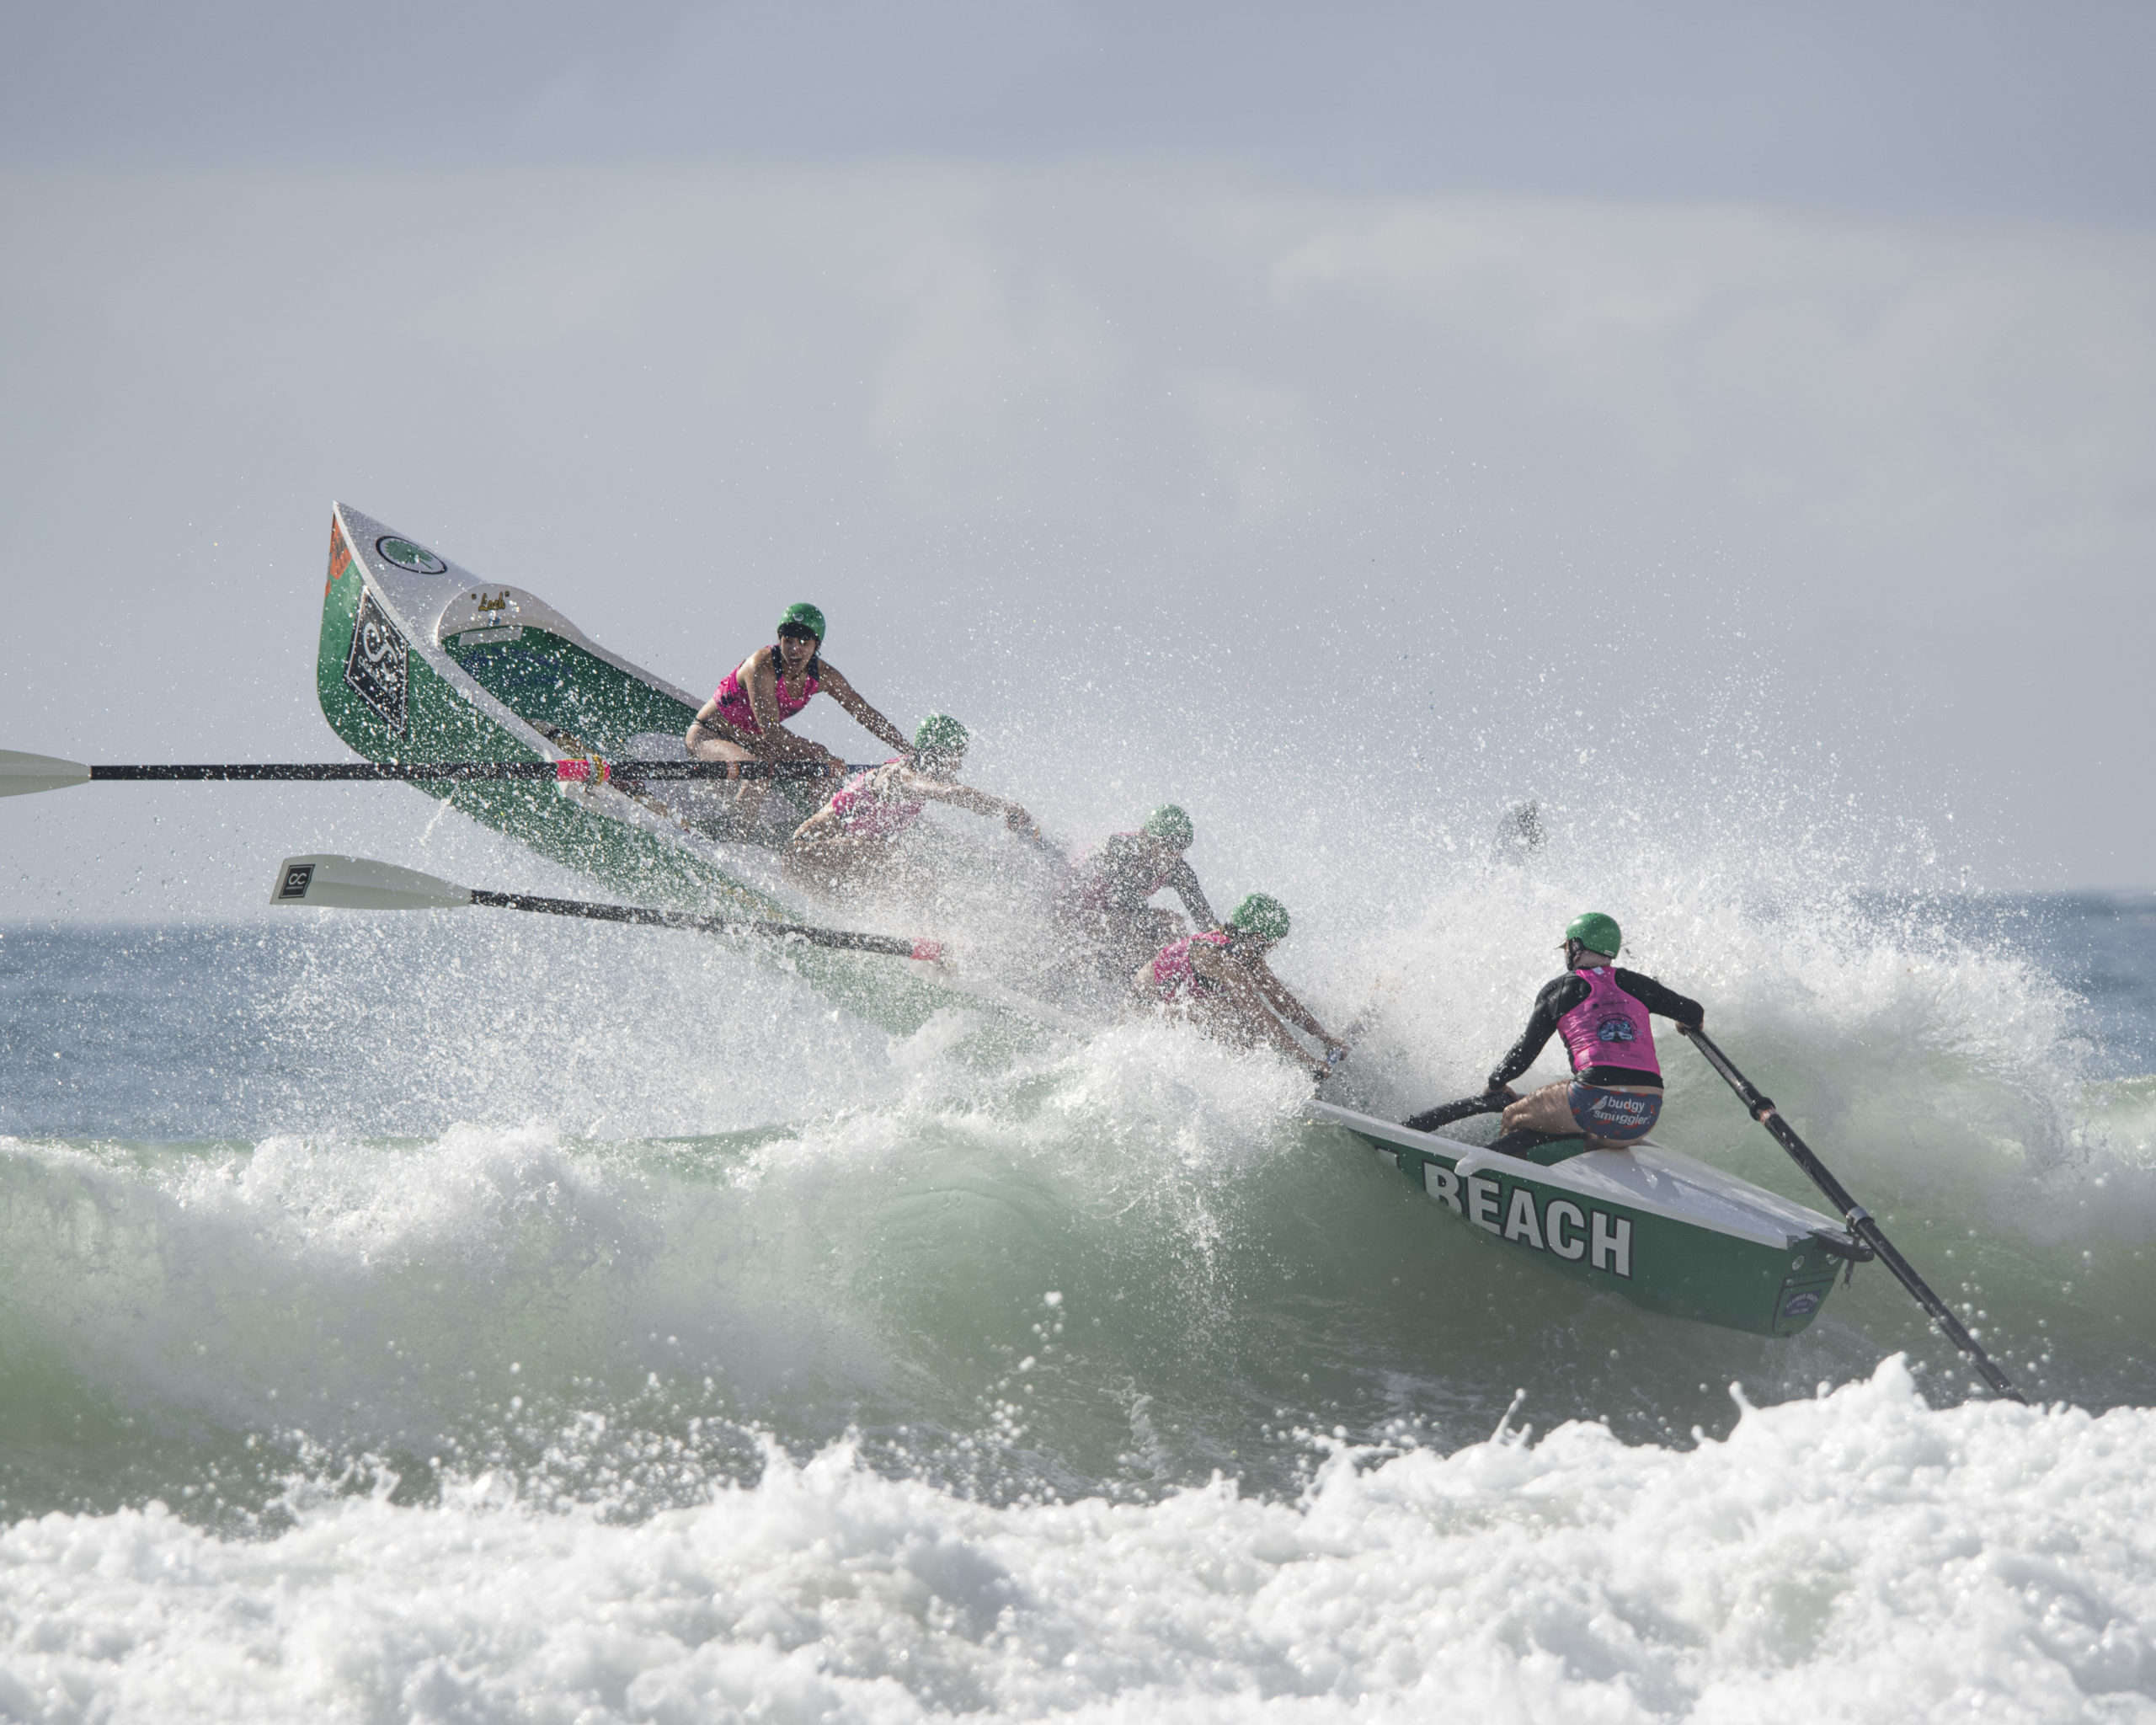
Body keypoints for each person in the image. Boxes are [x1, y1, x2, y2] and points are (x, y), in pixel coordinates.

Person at [1477, 912, 1704, 1151]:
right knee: (1591, 1128)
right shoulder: (1639, 984)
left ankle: (1502, 1178)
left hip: (1591, 1103)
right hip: (1644, 1115)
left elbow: (1523, 1054)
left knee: (1513, 1115)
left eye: (1566, 945)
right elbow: (1693, 1012)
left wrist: (1495, 1084)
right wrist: (1687, 1022)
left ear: (1576, 946)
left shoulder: (1558, 990)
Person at [686, 604, 913, 819]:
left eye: (804, 642)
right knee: (759, 771)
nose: (795, 649)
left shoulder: (824, 676)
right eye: (789, 641)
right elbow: (772, 732)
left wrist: (909, 751)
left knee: (823, 767)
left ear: (817, 646)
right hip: (710, 735)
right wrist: (816, 749)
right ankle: (738, 836)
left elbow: (865, 713)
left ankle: (814, 831)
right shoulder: (761, 666)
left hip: (755, 744)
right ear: (780, 640)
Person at [785, 714, 1038, 884]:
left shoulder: (917, 781)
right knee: (895, 856)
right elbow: (952, 793)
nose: (958, 763)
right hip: (802, 852)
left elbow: (958, 793)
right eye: (955, 755)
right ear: (937, 753)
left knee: (923, 872)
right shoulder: (902, 776)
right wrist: (1006, 809)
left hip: (832, 866)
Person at [1134, 893, 1348, 1081]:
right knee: (1229, 1015)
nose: (1274, 945)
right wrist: (1308, 1060)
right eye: (1271, 940)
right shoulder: (1221, 958)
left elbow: (1283, 1001)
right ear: (1255, 937)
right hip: (1145, 1008)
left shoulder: (1245, 956)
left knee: (1238, 1017)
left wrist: (1326, 1038)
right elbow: (1260, 1013)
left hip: (1170, 1003)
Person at [1056, 805, 1218, 977]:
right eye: (1169, 844)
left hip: (1106, 912)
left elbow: (1205, 919)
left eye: (1181, 846)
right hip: (1067, 909)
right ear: (1146, 838)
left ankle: (1174, 979)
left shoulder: (1176, 868)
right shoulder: (1118, 848)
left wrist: (1223, 945)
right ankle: (1126, 976)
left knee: (1173, 923)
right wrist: (1155, 942)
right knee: (1135, 924)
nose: (1174, 854)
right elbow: (1126, 903)